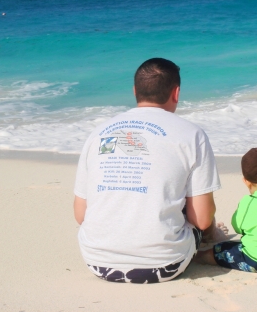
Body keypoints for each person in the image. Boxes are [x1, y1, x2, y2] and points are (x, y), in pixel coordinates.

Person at [73, 58, 227, 283]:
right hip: (165, 264)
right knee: (195, 204)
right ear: (176, 93)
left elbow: (80, 215)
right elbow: (201, 220)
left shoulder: (98, 133)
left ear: (135, 91)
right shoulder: (192, 134)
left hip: (97, 261)